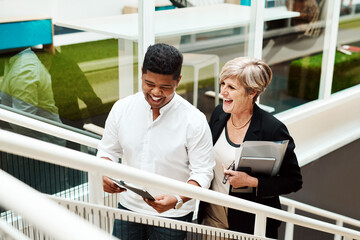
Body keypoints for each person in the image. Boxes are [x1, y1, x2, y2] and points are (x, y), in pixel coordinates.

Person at [96, 43, 215, 240]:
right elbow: (107, 151)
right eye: (149, 84)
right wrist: (105, 174)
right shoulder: (122, 108)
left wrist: (177, 199)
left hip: (172, 216)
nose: (156, 93)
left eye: (165, 87)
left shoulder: (194, 120)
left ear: (178, 81)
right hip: (128, 208)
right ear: (142, 73)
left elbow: (203, 172)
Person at [198, 57, 302, 238]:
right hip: (213, 216)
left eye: (231, 87)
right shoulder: (218, 114)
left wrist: (251, 182)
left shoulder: (272, 129)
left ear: (252, 92)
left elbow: (293, 181)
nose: (223, 91)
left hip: (249, 223)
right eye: (223, 84)